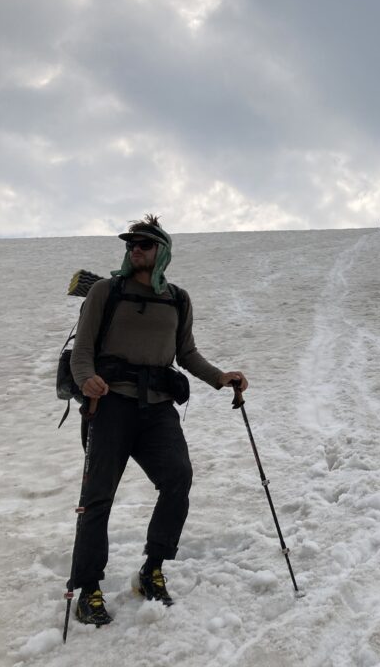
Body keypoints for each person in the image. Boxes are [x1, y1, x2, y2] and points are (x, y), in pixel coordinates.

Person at [67, 214, 249, 627]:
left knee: (178, 478)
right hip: (109, 406)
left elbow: (186, 354)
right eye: (131, 243)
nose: (135, 248)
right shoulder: (103, 292)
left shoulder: (178, 300)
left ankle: (152, 569)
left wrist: (221, 378)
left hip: (158, 411)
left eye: (144, 244)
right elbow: (82, 351)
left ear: (161, 251)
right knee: (97, 498)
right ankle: (88, 588)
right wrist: (86, 380)